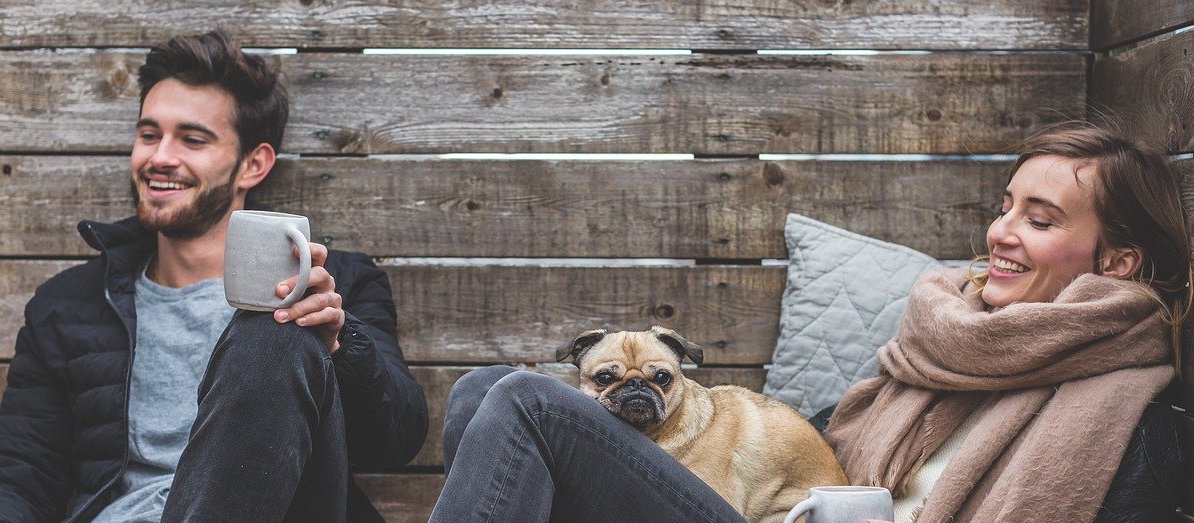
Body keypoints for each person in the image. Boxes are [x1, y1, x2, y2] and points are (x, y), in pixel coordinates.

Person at [427, 122, 1187, 523]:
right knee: (483, 388)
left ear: (1117, 261)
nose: (1001, 232)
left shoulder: (1132, 422)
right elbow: (824, 449)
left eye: (1040, 218)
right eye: (1004, 206)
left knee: (525, 397)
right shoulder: (946, 344)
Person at [0, 30, 428, 522]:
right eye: (148, 134)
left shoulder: (336, 284)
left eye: (192, 139)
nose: (160, 156)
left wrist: (336, 343)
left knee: (278, 328)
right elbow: (20, 477)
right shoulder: (67, 305)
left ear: (253, 164)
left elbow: (396, 441)